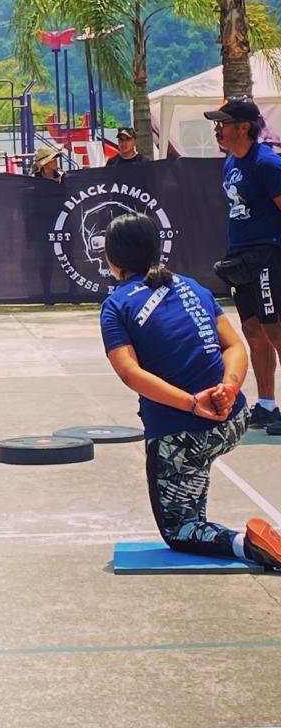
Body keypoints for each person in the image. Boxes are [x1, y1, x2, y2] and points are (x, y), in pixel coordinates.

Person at [99, 212, 281, 570]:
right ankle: (198, 509)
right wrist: (229, 387)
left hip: (182, 434)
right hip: (233, 420)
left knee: (180, 530)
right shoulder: (192, 286)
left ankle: (247, 544)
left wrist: (193, 404)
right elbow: (235, 346)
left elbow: (130, 373)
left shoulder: (117, 305)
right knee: (191, 473)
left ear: (113, 259)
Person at [204, 98, 281, 429]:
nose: (217, 129)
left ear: (244, 127)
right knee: (253, 331)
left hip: (268, 254)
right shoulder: (231, 162)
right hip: (240, 257)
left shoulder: (267, 164)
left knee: (276, 329)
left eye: (223, 123)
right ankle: (267, 405)